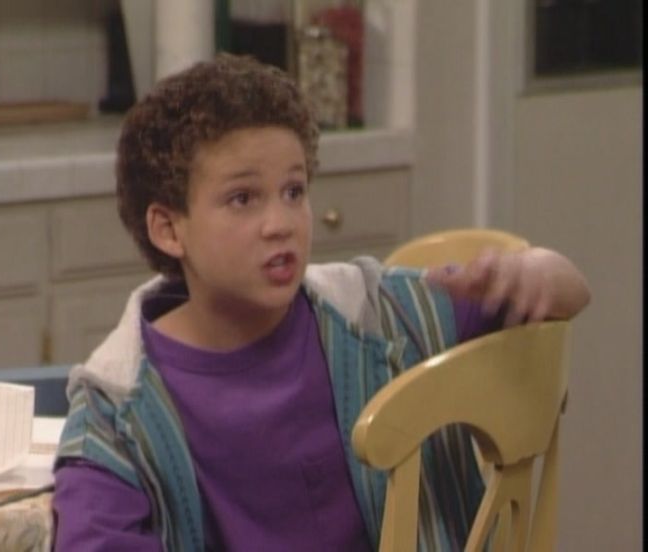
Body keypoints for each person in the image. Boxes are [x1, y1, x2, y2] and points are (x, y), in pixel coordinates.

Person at [51, 53, 590, 551]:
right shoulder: (117, 403)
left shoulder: (377, 316)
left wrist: (537, 270)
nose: (281, 224)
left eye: (294, 191)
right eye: (243, 199)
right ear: (169, 229)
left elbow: (569, 292)